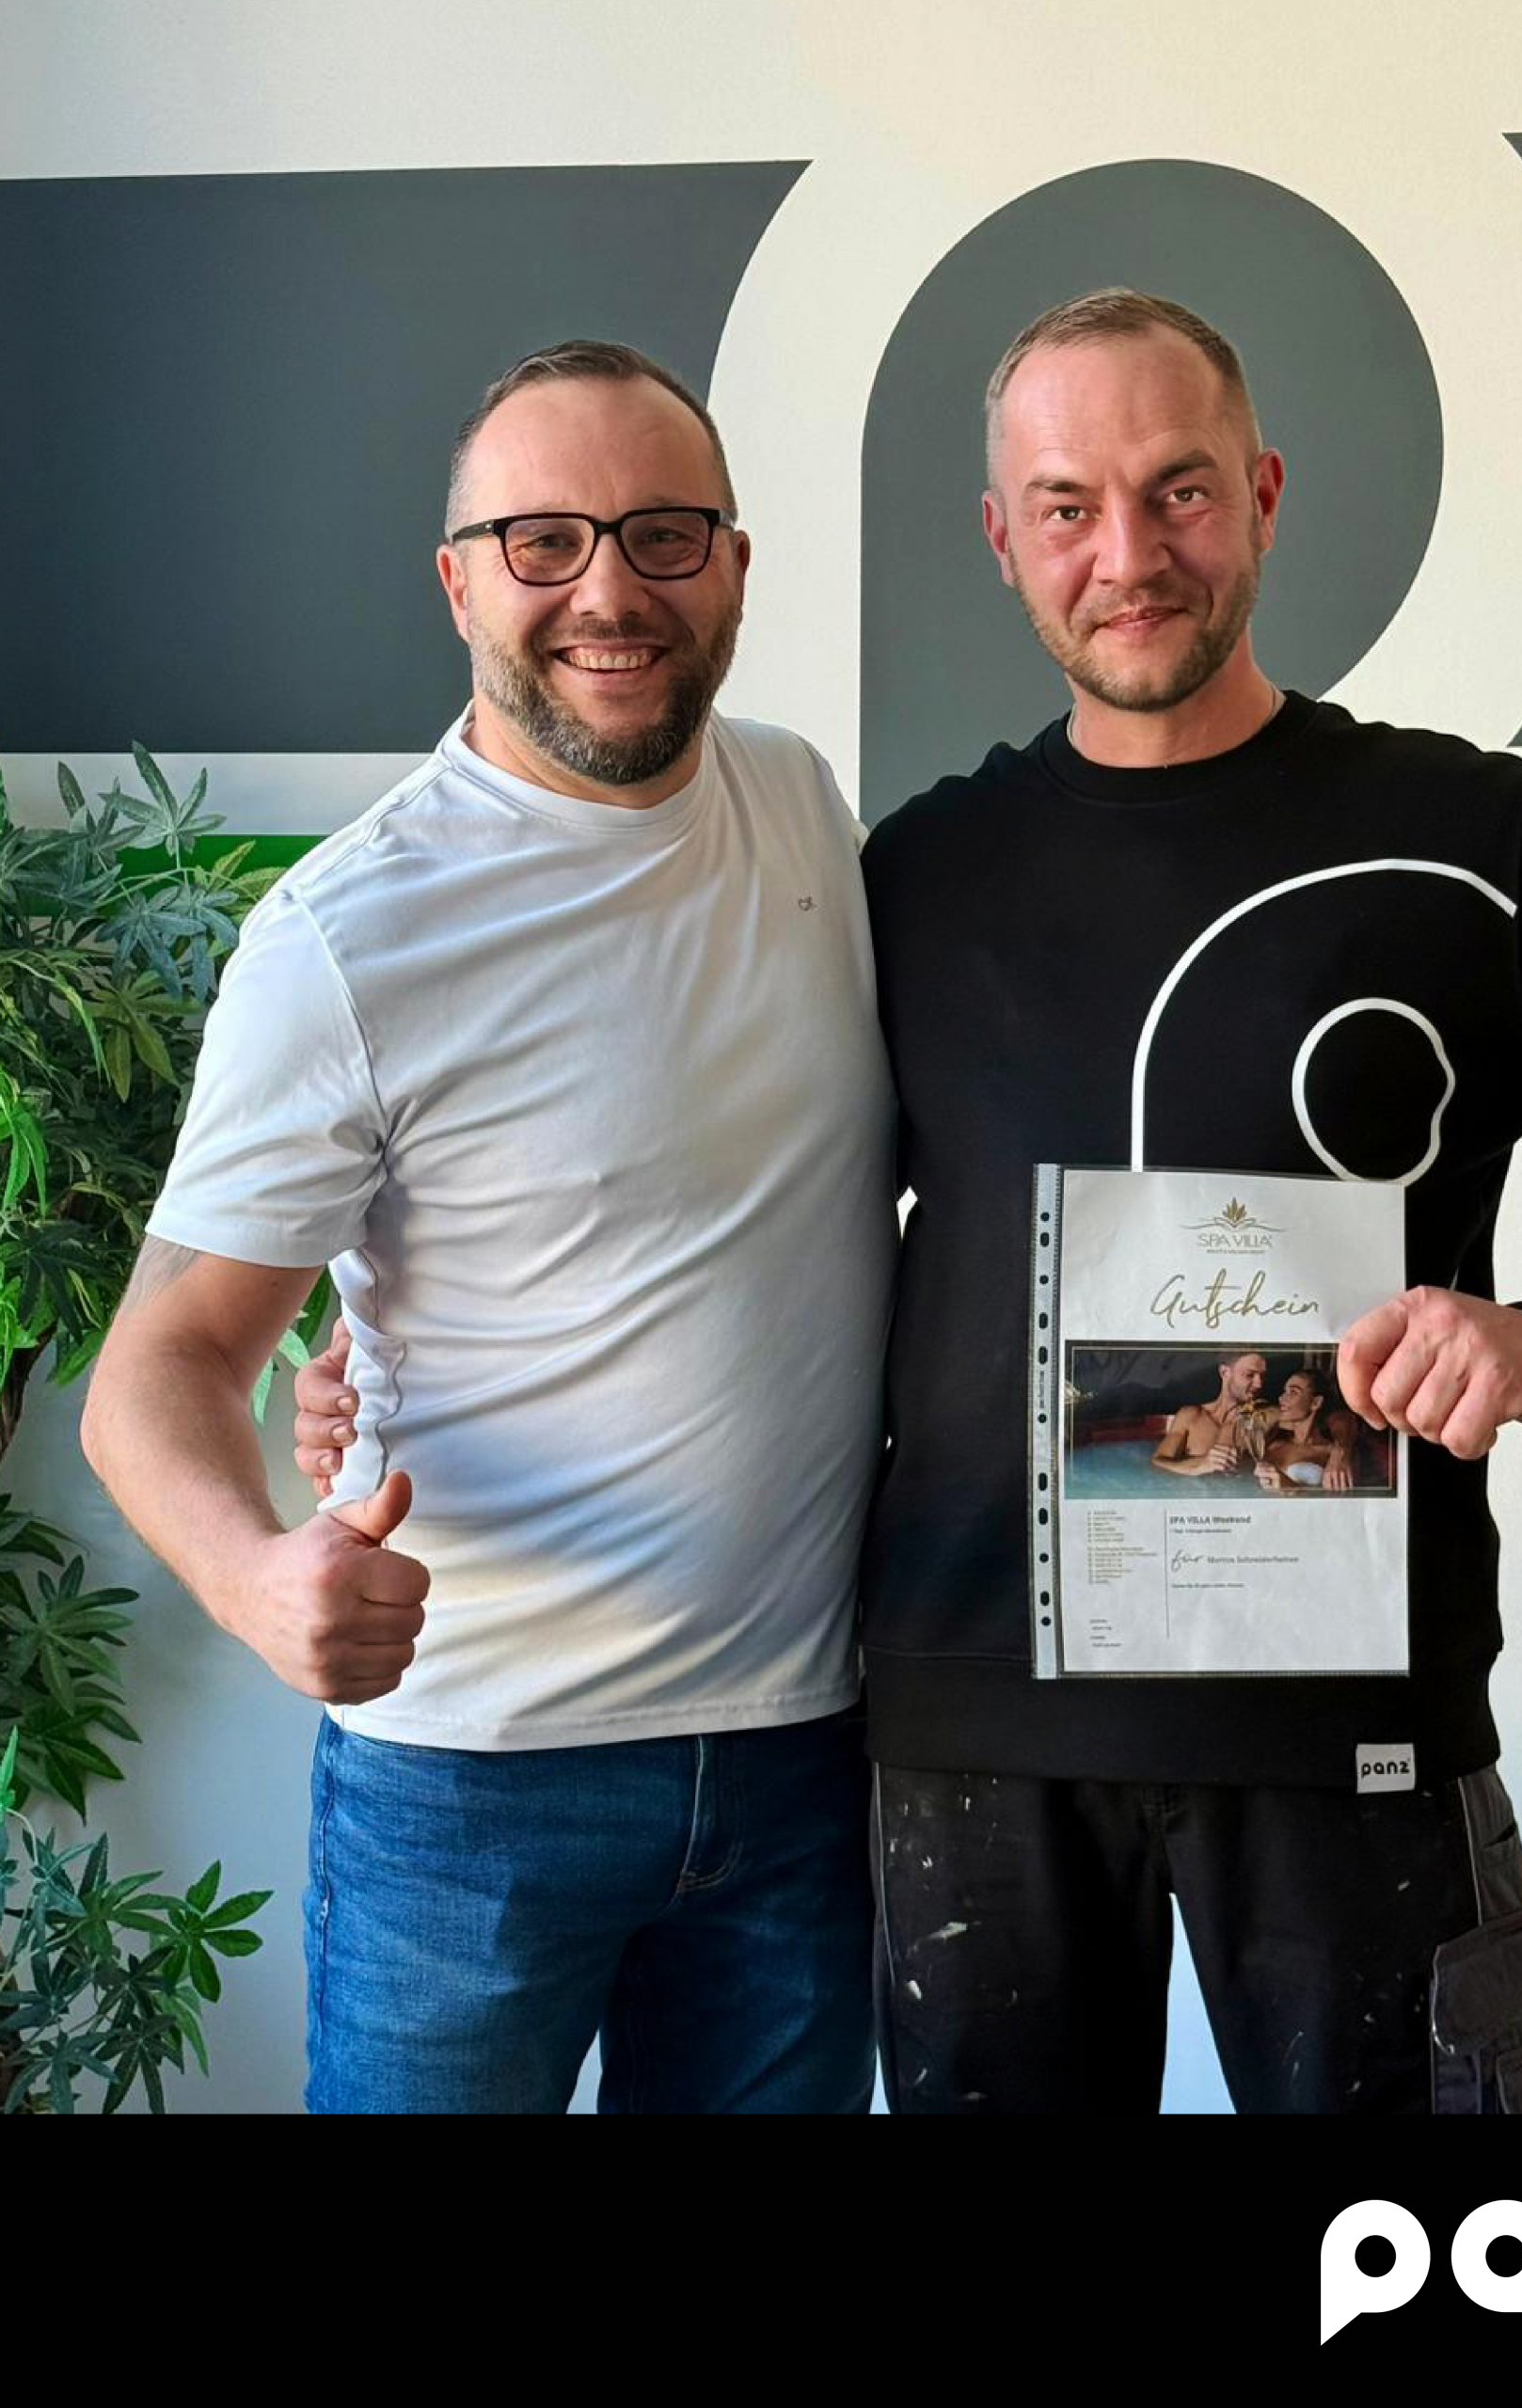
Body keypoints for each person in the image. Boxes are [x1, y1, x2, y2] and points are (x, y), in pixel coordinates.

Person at [849, 289, 1522, 2113]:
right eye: (1070, 504)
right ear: (1002, 539)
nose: (1129, 554)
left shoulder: (1461, 838)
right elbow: (734, 1235)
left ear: (1261, 494)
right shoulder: (908, 876)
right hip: (974, 1738)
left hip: (1352, 1725)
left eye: (1177, 492)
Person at [81, 340, 897, 2115]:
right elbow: (162, 1366)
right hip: (475, 1786)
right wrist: (254, 1579)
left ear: (737, 566)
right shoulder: (344, 939)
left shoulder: (804, 809)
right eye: (541, 542)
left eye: (664, 533)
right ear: (458, 582)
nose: (608, 590)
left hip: (803, 1767)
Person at [1149, 1350, 1274, 1476]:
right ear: (1225, 1372)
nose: (1259, 1384)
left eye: (1262, 1376)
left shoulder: (1266, 1418)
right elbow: (1158, 1463)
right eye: (1249, 1375)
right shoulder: (1191, 1415)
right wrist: (1199, 1465)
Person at [1253, 1364, 1360, 1493]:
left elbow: (1342, 1504)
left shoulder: (1335, 1454)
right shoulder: (1272, 1445)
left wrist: (1292, 1490)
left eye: (1293, 1392)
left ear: (1315, 1403)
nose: (1281, 1398)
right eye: (1284, 1392)